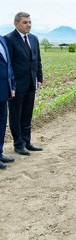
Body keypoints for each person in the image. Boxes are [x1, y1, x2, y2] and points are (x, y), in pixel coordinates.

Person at [4, 12, 43, 156]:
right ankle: (18, 144)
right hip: (16, 86)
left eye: (30, 22)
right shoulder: (9, 39)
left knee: (27, 114)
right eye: (25, 22)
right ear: (16, 23)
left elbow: (37, 60)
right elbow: (8, 65)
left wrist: (39, 78)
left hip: (31, 84)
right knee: (15, 115)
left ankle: (27, 141)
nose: (29, 25)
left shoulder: (34, 39)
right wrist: (11, 85)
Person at [0, 34, 16, 169]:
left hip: (3, 91)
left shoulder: (2, 39)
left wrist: (12, 86)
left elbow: (8, 65)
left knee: (1, 125)